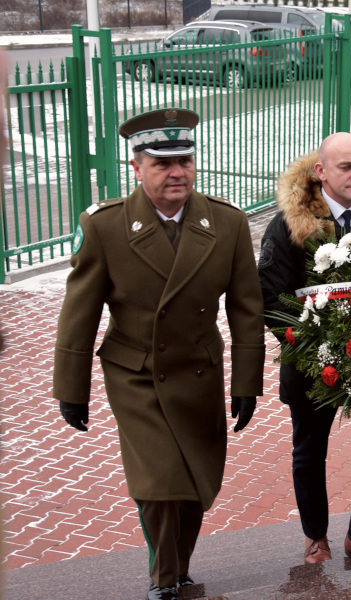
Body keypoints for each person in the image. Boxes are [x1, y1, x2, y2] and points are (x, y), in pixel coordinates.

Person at [52, 108, 266, 600]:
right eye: (161, 163)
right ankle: (164, 580)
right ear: (136, 167)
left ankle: (178, 567)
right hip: (137, 374)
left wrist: (245, 383)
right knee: (160, 482)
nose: (177, 173)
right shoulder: (105, 226)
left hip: (198, 371)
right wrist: (71, 389)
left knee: (194, 485)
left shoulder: (228, 224)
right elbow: (79, 312)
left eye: (185, 161)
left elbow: (246, 310)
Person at [257, 132, 351, 568]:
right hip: (310, 361)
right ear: (321, 171)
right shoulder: (289, 223)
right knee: (310, 449)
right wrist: (314, 345)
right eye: (346, 167)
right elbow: (270, 297)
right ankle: (315, 537)